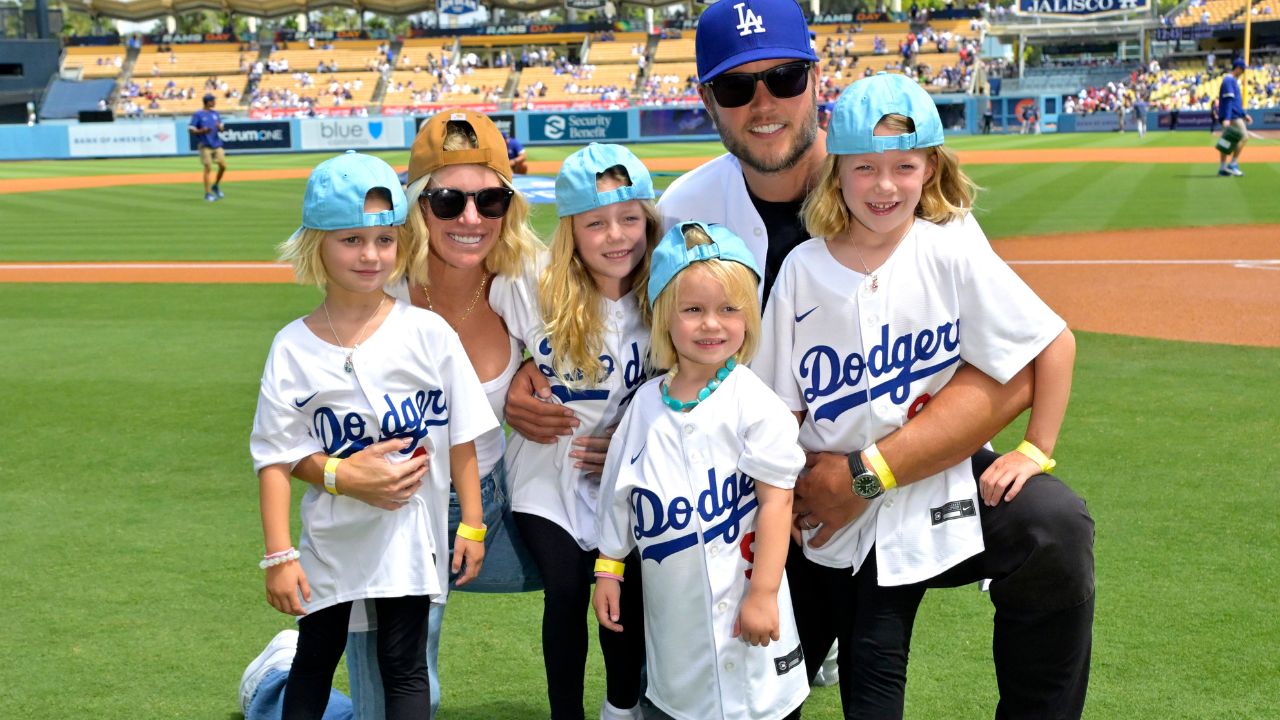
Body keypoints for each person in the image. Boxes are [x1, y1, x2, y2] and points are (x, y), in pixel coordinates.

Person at [507, 0, 1094, 716]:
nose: (762, 103)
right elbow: (608, 312)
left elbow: (1015, 366)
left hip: (919, 467)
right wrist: (523, 375)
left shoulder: (907, 197)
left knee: (1052, 527)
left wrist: (871, 475)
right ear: (706, 101)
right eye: (735, 87)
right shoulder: (687, 207)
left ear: (816, 81)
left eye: (783, 77)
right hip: (766, 500)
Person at [756, 72, 1083, 719]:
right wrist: (778, 494)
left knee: (1056, 526)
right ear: (836, 172)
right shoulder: (805, 269)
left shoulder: (947, 246)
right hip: (831, 512)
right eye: (865, 168)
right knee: (837, 683)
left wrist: (1036, 450)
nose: (884, 186)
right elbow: (779, 406)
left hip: (927, 489)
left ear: (931, 167)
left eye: (904, 167)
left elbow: (1053, 340)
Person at [241, 111, 545, 720]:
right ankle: (274, 677)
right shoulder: (341, 319)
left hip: (476, 507)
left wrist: (543, 373)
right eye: (447, 200)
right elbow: (279, 447)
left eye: (490, 200)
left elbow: (598, 356)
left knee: (614, 559)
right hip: (363, 516)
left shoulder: (523, 281)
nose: (470, 217)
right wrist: (337, 478)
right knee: (372, 686)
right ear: (416, 208)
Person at [593, 221, 808, 720]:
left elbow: (778, 502)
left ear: (749, 316)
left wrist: (763, 594)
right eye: (693, 310)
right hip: (678, 629)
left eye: (729, 309)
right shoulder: (646, 406)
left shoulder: (756, 402)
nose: (712, 324)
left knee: (762, 706)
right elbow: (617, 496)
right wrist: (608, 567)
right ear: (665, 318)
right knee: (681, 701)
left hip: (750, 615)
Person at [491, 142, 658, 720]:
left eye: (630, 218)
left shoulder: (666, 291)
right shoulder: (531, 282)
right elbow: (468, 319)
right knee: (565, 590)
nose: (616, 236)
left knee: (624, 593)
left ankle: (621, 705)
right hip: (546, 470)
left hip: (626, 475)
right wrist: (516, 369)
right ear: (570, 230)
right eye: (596, 223)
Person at [1216, 57, 1252, 177]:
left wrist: (1244, 114)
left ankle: (1222, 169)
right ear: (1237, 68)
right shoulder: (1229, 80)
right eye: (1242, 69)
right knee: (1244, 137)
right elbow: (1229, 101)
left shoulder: (1231, 81)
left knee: (1226, 141)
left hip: (1234, 114)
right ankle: (1233, 164)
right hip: (1232, 116)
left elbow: (1234, 102)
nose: (1243, 72)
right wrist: (1227, 118)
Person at [189, 93, 227, 201]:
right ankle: (207, 194)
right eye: (213, 101)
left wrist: (220, 128)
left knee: (223, 166)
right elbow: (191, 129)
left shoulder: (215, 113)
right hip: (205, 145)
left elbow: (222, 129)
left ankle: (215, 186)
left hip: (216, 143)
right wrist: (202, 131)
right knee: (208, 167)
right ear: (208, 102)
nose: (215, 102)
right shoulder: (198, 114)